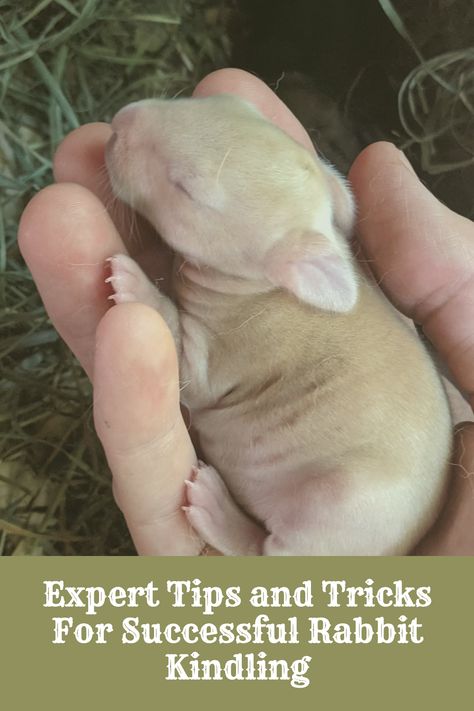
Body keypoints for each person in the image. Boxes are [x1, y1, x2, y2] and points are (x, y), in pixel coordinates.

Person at [18, 68, 474, 555]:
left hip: (356, 524)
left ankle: (257, 550)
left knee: (351, 498)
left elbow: (196, 378)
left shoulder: (271, 304)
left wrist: (155, 310)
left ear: (293, 266)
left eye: (186, 186)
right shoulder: (285, 245)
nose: (132, 119)